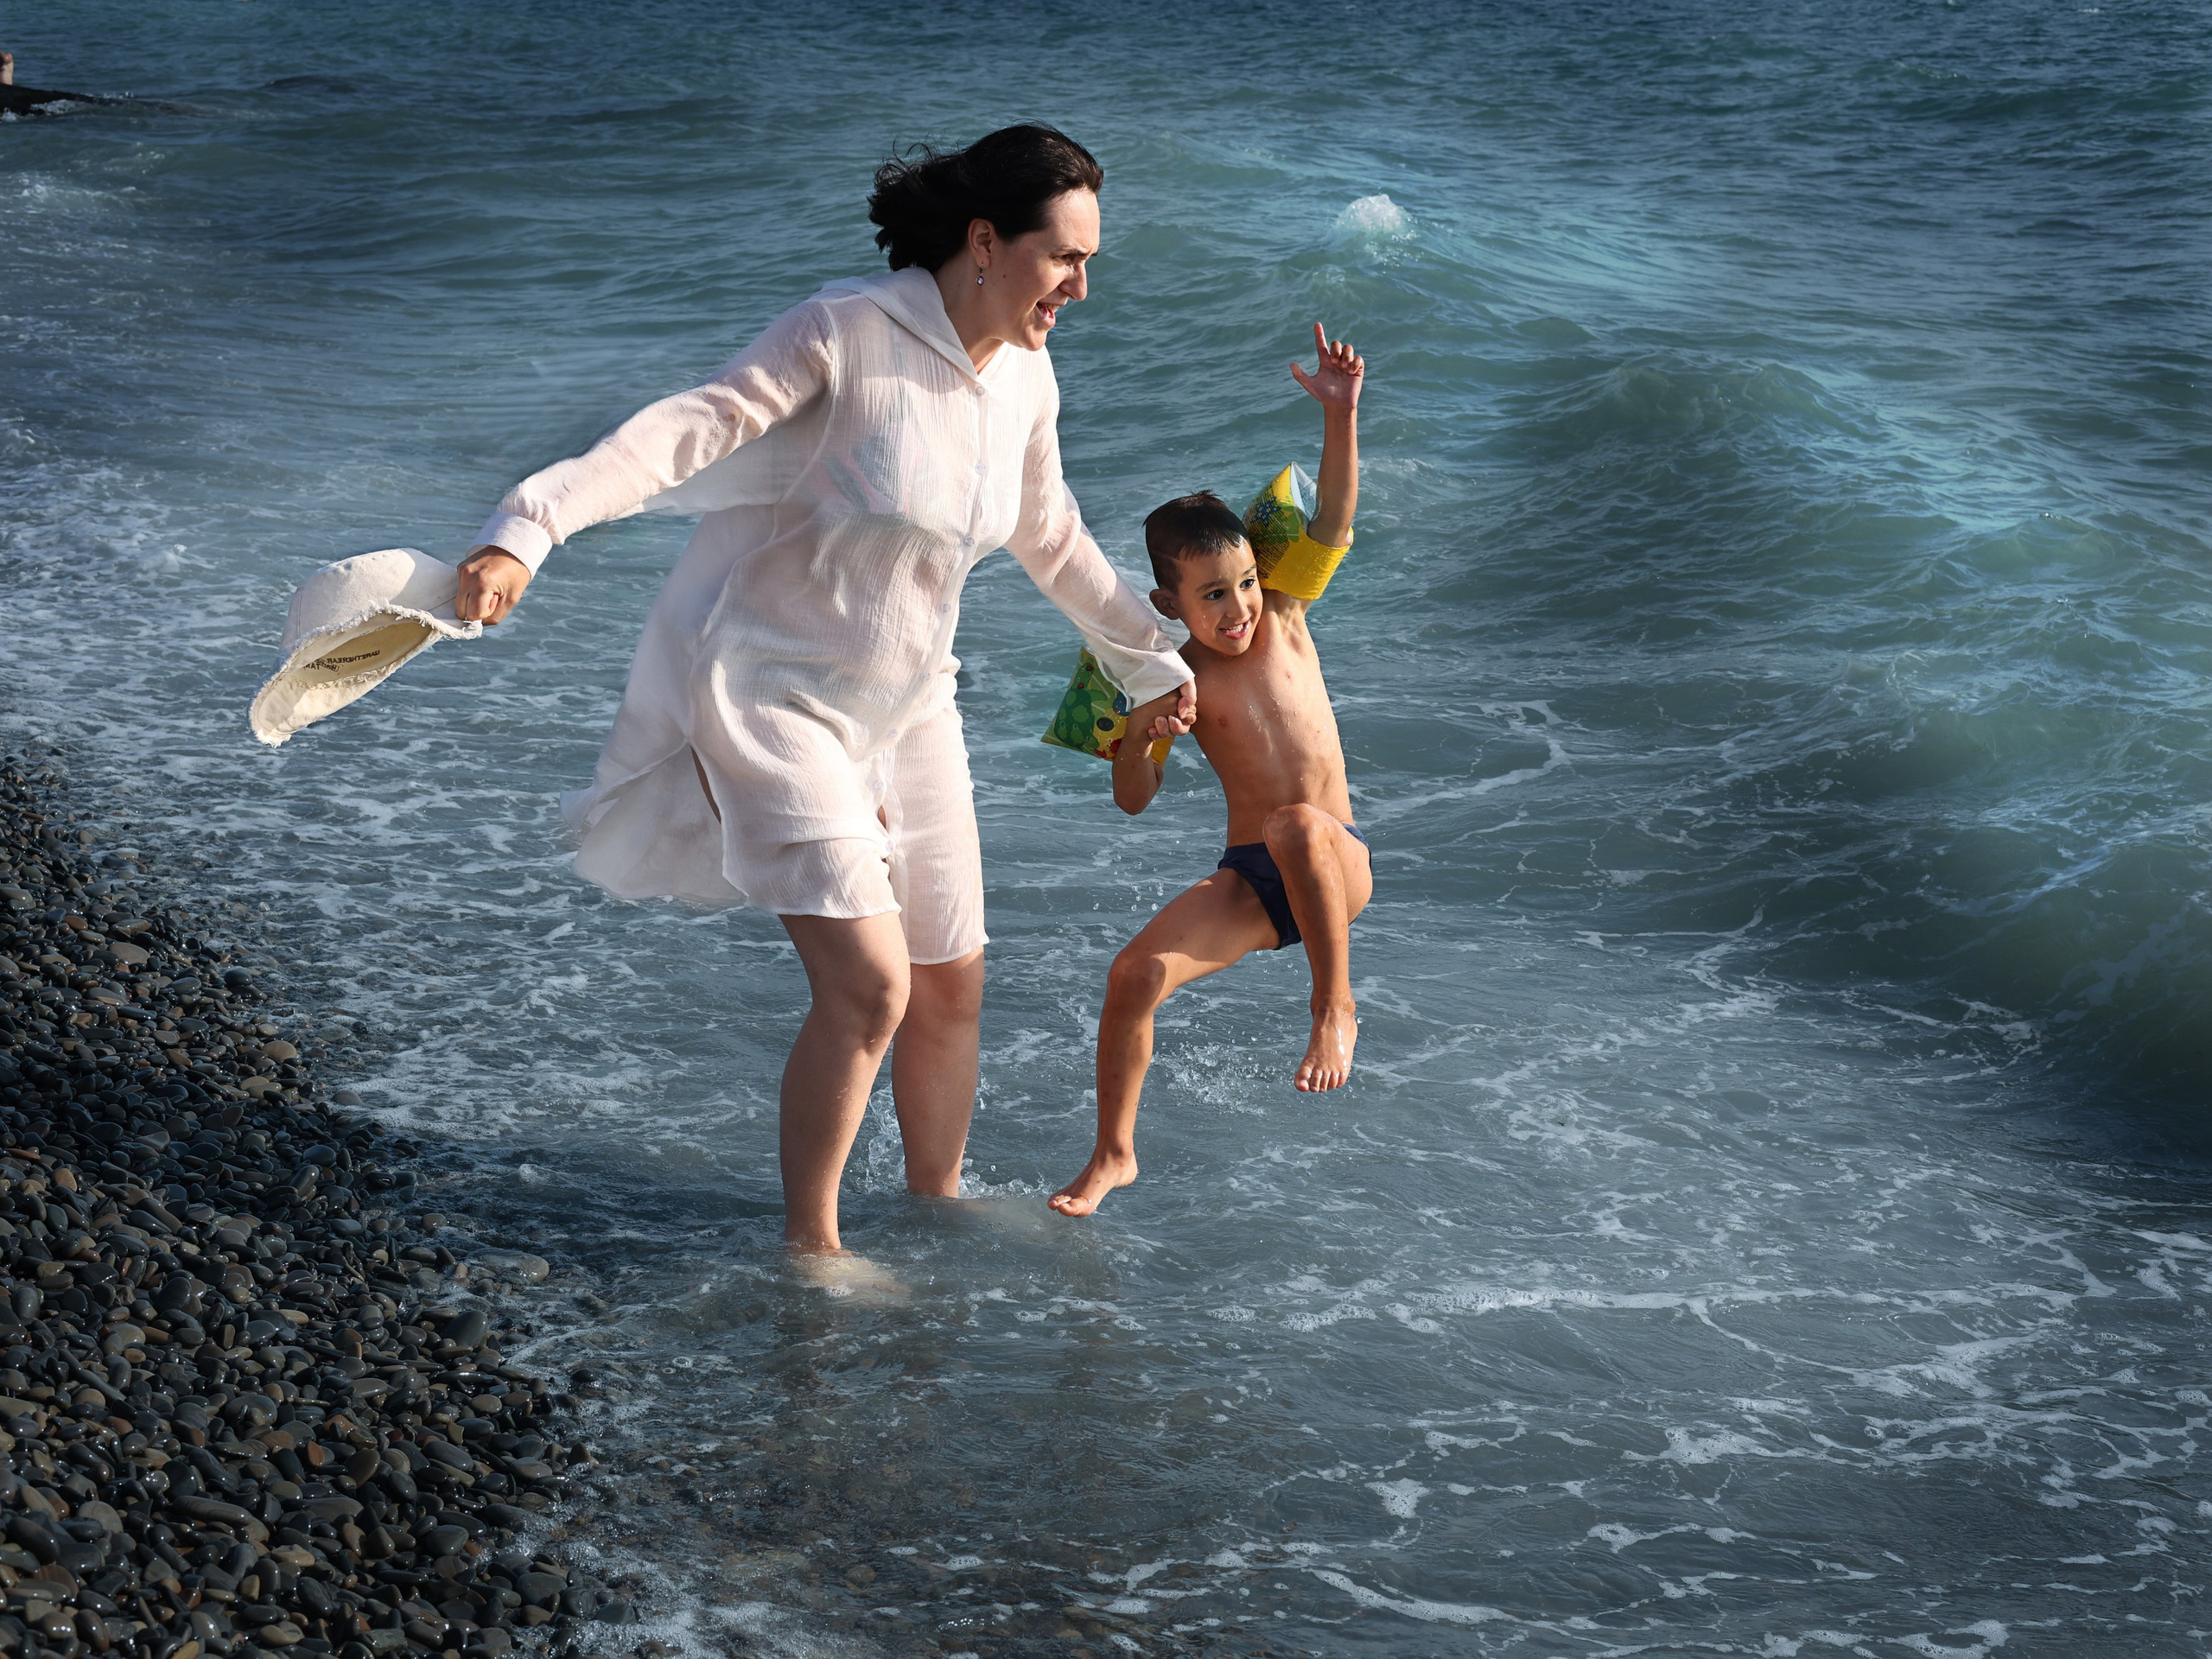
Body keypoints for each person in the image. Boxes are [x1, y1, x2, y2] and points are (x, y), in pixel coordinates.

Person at [453, 126, 1196, 1254]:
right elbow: (685, 433)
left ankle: (934, 1218)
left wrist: (1153, 664)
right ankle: (815, 1252)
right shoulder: (848, 333)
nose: (1082, 289)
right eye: (1065, 259)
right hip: (773, 697)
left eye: (1092, 262)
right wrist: (526, 528)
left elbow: (1053, 538)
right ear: (987, 242)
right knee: (870, 987)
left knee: (952, 984)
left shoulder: (1028, 381)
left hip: (910, 706)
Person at [1050, 324, 1368, 1218]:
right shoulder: (1162, 673)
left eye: (1243, 585)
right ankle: (1114, 1155)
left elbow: (1335, 517)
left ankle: (1333, 1006)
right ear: (1168, 604)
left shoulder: (1290, 611)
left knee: (1296, 822)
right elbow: (1131, 801)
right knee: (1131, 977)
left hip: (1334, 859)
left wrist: (1339, 415)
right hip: (1255, 883)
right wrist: (1147, 732)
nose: (1237, 609)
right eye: (1212, 595)